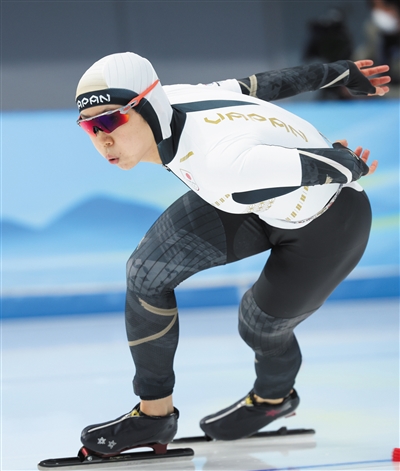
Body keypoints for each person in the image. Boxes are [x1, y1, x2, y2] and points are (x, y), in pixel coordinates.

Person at [74, 52, 390, 455]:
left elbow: (337, 167)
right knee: (146, 273)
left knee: (257, 325)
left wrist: (345, 163)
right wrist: (340, 72)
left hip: (328, 222)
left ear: (149, 107)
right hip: (251, 198)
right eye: (89, 127)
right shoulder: (178, 98)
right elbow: (258, 86)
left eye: (110, 121)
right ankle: (154, 417)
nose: (102, 140)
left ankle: (273, 398)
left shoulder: (220, 165)